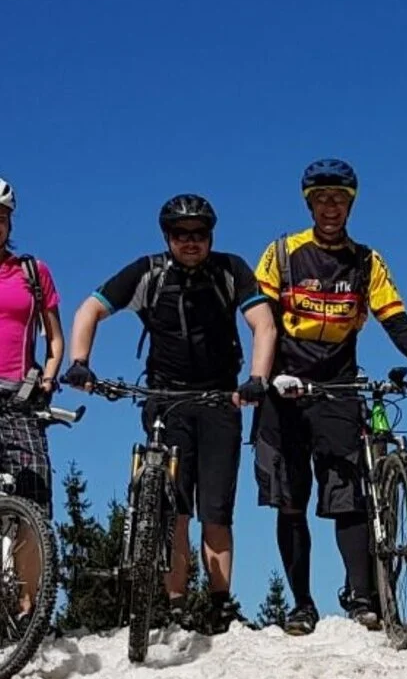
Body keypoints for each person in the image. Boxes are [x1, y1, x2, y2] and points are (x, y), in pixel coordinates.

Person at [255, 159, 407, 636]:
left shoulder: (367, 261)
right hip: (284, 387)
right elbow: (263, 322)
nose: (330, 207)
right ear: (308, 203)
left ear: (350, 204)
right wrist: (265, 376)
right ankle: (301, 604)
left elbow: (396, 322)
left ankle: (360, 597)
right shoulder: (281, 254)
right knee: (290, 500)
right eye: (321, 198)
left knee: (348, 497)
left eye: (339, 199)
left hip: (338, 386)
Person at [64, 194, 276, 631]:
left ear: (211, 236)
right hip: (166, 399)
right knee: (172, 510)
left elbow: (264, 322)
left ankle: (219, 605)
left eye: (200, 234)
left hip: (220, 399)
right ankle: (176, 607)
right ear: (168, 237)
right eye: (182, 234)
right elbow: (90, 308)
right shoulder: (148, 273)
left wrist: (257, 377)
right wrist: (80, 361)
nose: (191, 242)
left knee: (216, 511)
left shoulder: (229, 270)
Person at [0, 176, 65, 516]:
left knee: (33, 498)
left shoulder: (32, 272)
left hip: (19, 396)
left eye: (1, 217)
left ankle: (30, 571)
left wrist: (48, 379)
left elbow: (54, 339)